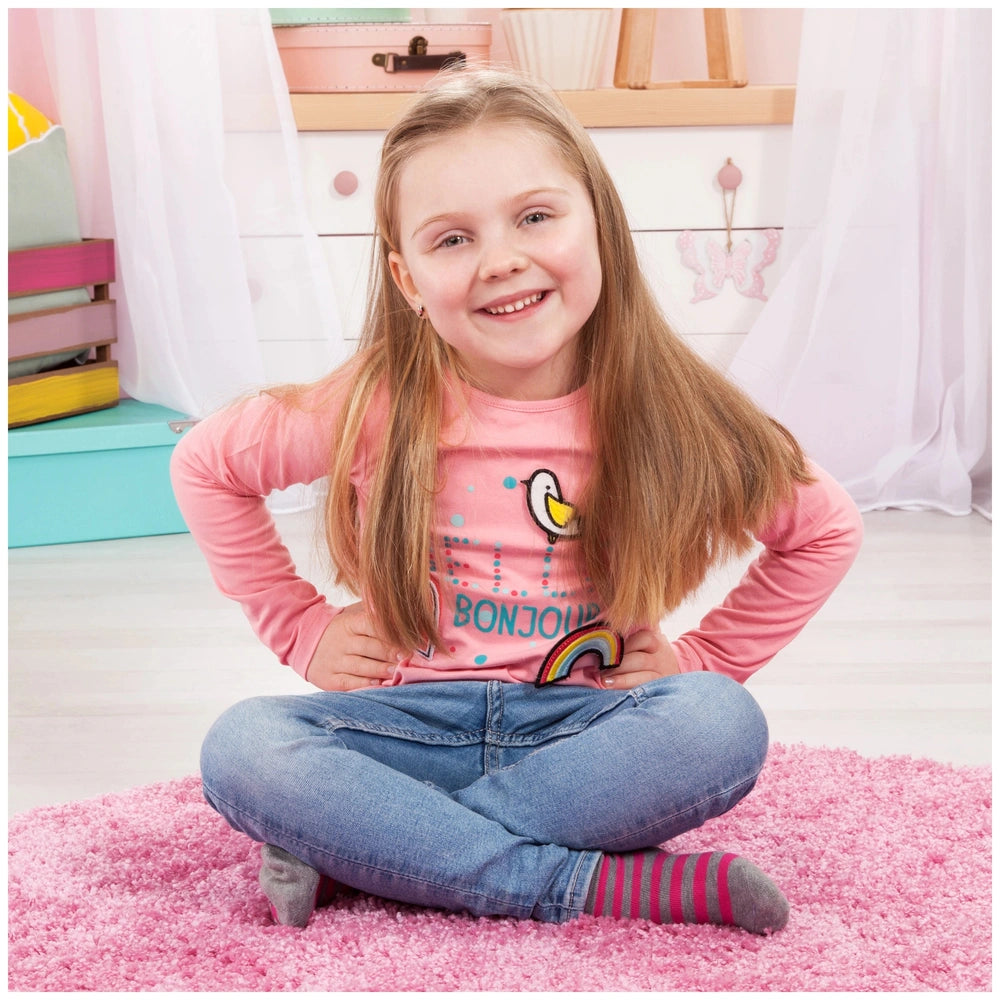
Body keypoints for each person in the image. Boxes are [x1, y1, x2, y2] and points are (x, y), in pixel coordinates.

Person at [171, 68, 863, 936]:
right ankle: (582, 884)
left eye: (536, 217)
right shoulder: (373, 401)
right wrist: (299, 627)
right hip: (406, 721)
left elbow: (824, 529)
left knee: (719, 721)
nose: (502, 258)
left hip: (585, 729)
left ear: (598, 223)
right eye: (452, 238)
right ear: (408, 279)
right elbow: (206, 464)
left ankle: (379, 849)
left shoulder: (673, 408)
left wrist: (703, 657)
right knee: (245, 748)